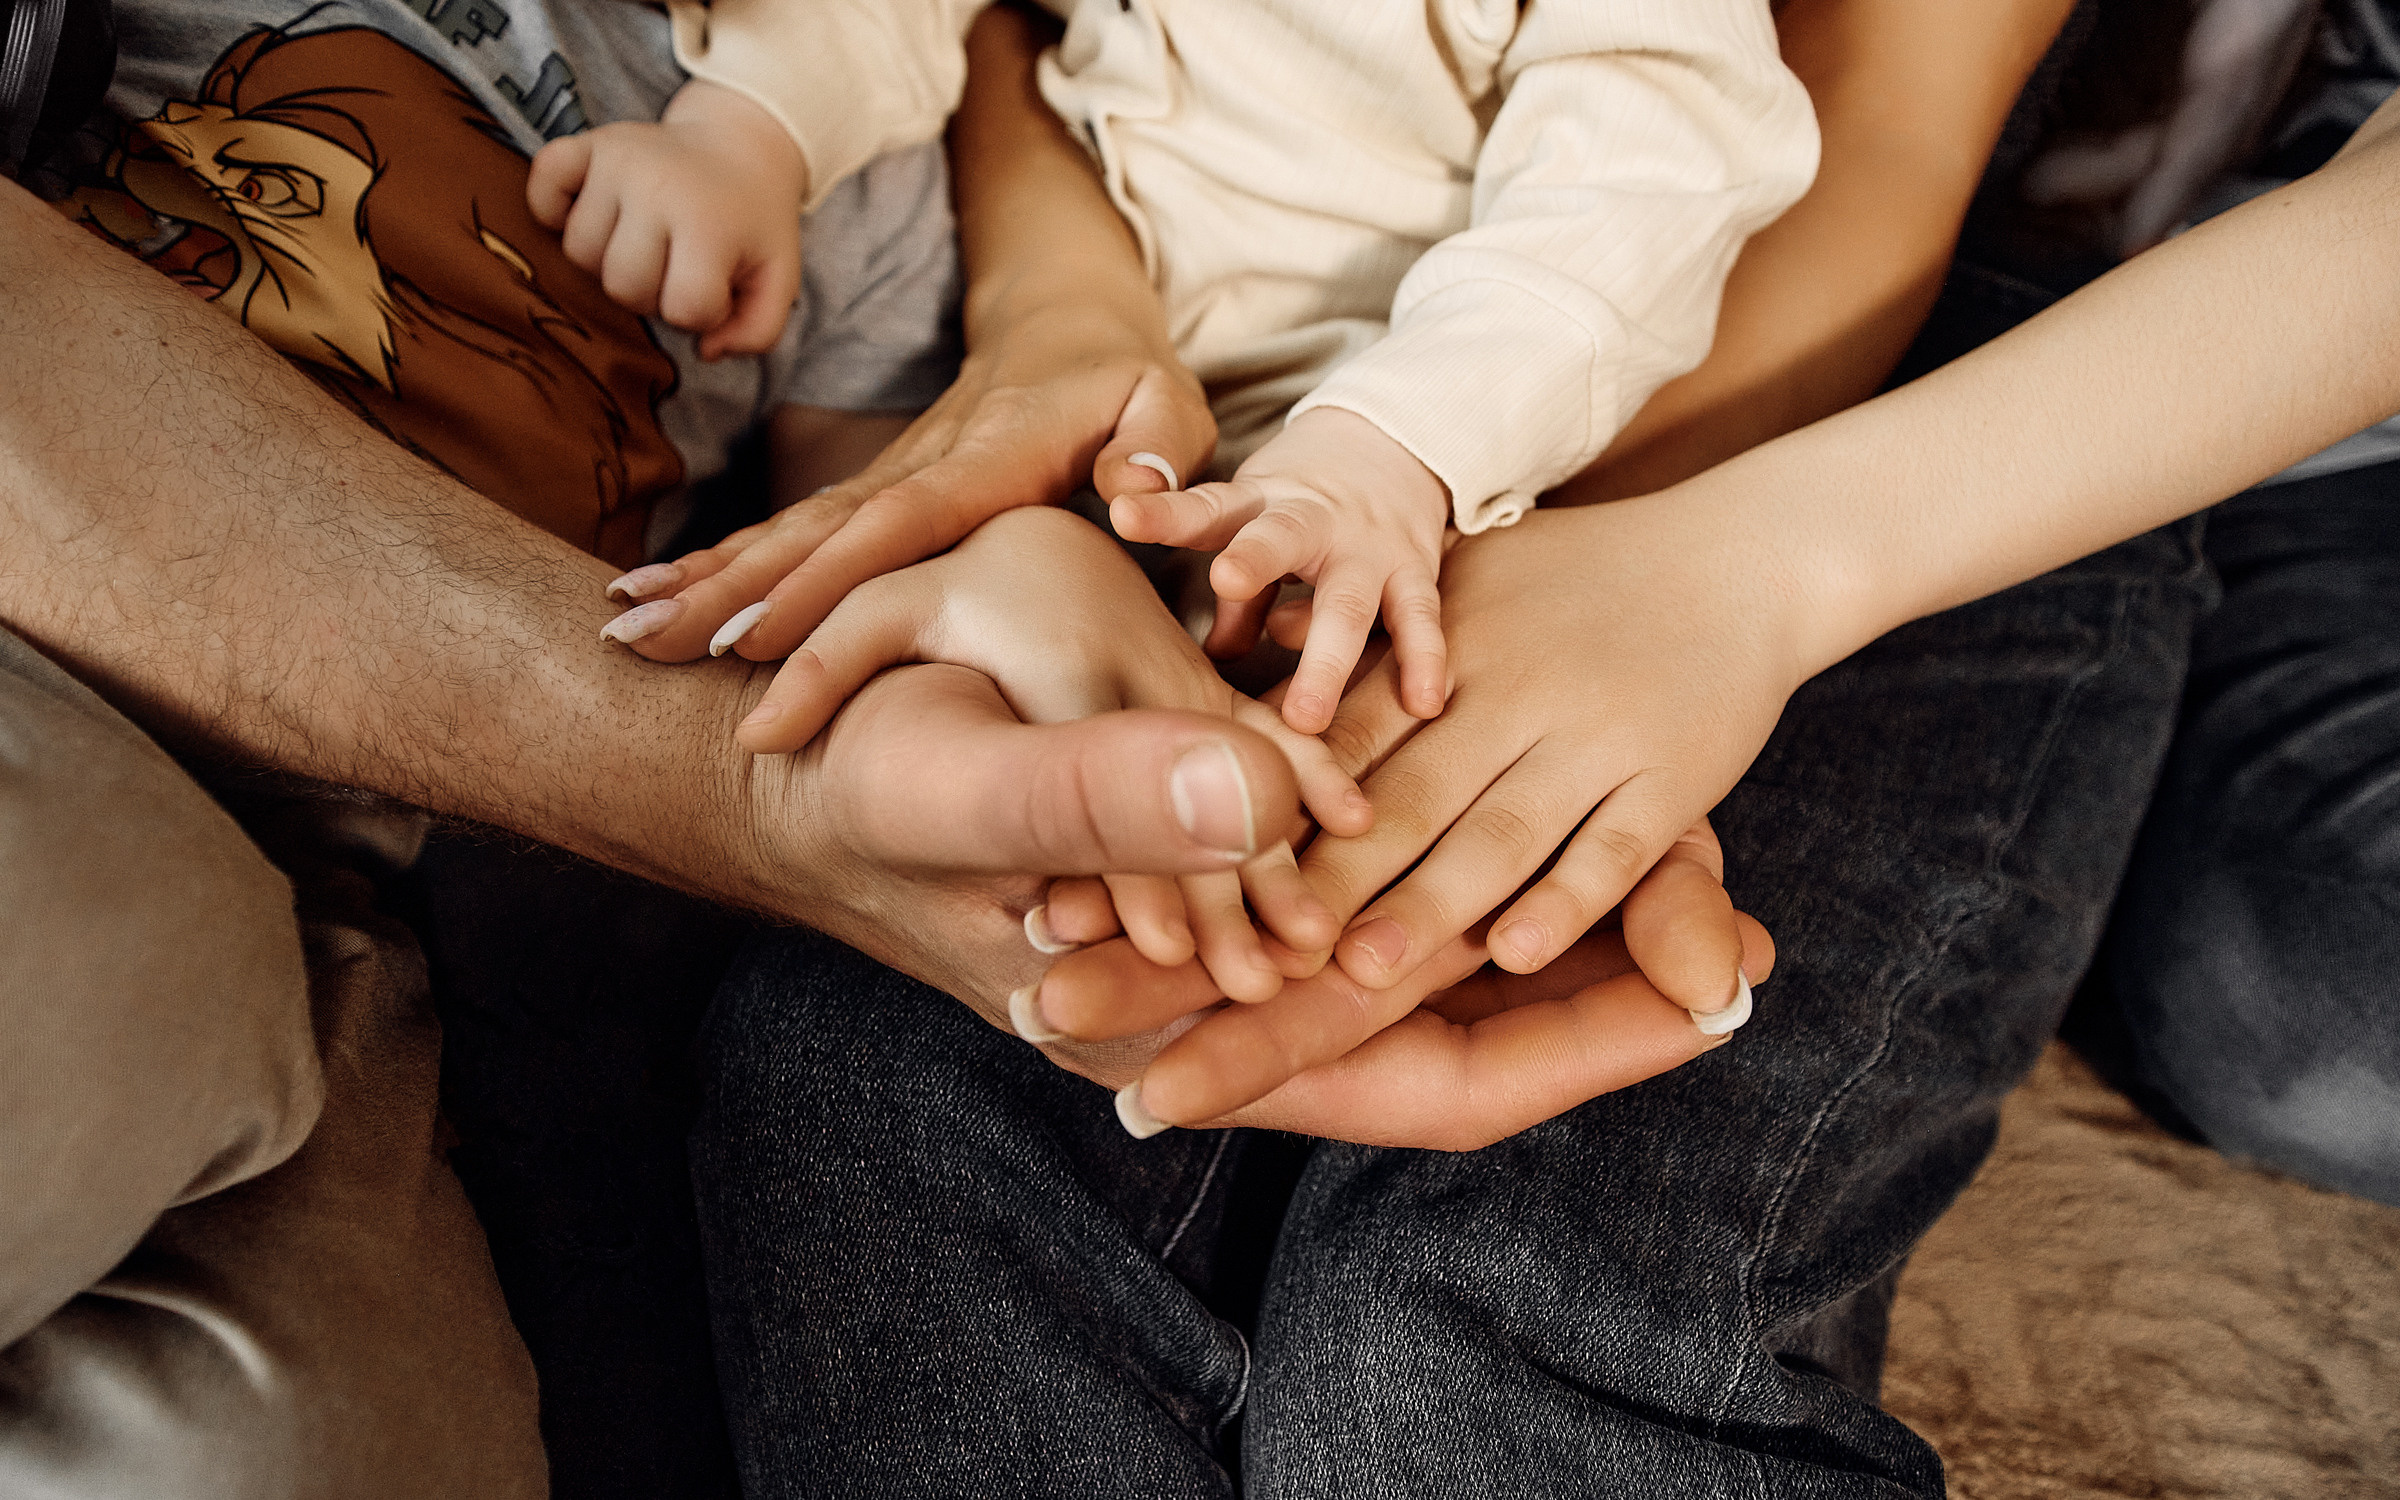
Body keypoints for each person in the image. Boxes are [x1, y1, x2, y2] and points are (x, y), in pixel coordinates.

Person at [0, 2, 1758, 1491]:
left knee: (334, 1432)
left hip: (448, 830)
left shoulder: (876, 182)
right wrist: (751, 141)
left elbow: (1656, 170)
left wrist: (1236, 505)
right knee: (149, 989)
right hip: (90, 656)